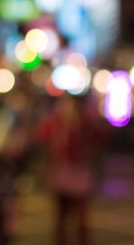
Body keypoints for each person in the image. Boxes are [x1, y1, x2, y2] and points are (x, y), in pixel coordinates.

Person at [35, 94, 105, 245]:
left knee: (81, 216)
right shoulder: (55, 123)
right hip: (61, 172)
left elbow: (101, 138)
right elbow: (41, 137)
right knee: (61, 215)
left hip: (80, 173)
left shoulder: (86, 124)